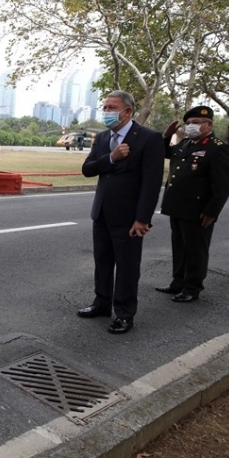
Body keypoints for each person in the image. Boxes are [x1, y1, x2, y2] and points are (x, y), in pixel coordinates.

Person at [78, 90, 164, 334]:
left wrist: (142, 218)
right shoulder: (103, 138)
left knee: (127, 267)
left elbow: (151, 182)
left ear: (127, 112)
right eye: (104, 107)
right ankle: (101, 303)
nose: (106, 112)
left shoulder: (148, 138)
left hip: (129, 218)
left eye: (111, 108)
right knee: (102, 262)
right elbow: (88, 169)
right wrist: (112, 158)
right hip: (102, 213)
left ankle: (125, 314)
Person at [156, 106, 229, 302]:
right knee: (179, 246)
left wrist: (212, 211)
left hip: (198, 210)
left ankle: (192, 288)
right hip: (177, 206)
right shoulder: (185, 143)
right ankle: (178, 283)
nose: (191, 126)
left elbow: (222, 185)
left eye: (196, 123)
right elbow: (164, 152)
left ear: (209, 125)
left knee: (195, 249)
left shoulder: (217, 148)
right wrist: (166, 136)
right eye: (189, 123)